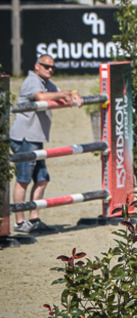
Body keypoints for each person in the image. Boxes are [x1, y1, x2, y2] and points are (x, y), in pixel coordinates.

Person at [9, 54, 82, 233]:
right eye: (46, 66)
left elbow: (60, 92)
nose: (50, 70)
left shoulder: (45, 82)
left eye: (52, 68)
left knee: (42, 179)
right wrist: (64, 93)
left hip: (35, 138)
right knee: (23, 179)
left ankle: (34, 219)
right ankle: (19, 222)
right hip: (24, 138)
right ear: (37, 66)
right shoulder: (32, 81)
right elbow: (41, 97)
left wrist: (73, 93)